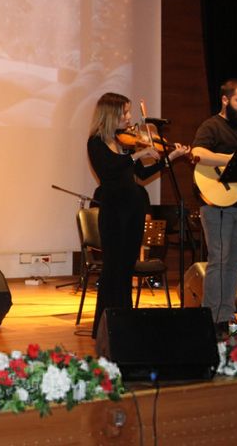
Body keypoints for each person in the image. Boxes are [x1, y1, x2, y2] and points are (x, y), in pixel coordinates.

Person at [87, 92, 190, 338]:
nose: (130, 117)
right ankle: (105, 325)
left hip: (132, 213)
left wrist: (169, 159)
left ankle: (124, 321)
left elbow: (142, 176)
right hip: (114, 214)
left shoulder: (122, 143)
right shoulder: (96, 143)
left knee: (125, 270)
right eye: (125, 112)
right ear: (111, 114)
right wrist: (137, 154)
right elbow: (109, 170)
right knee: (113, 269)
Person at [190, 78, 237, 337]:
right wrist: (231, 159)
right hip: (217, 204)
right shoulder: (212, 126)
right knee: (218, 261)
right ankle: (210, 319)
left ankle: (227, 317)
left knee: (235, 263)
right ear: (225, 99)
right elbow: (198, 153)